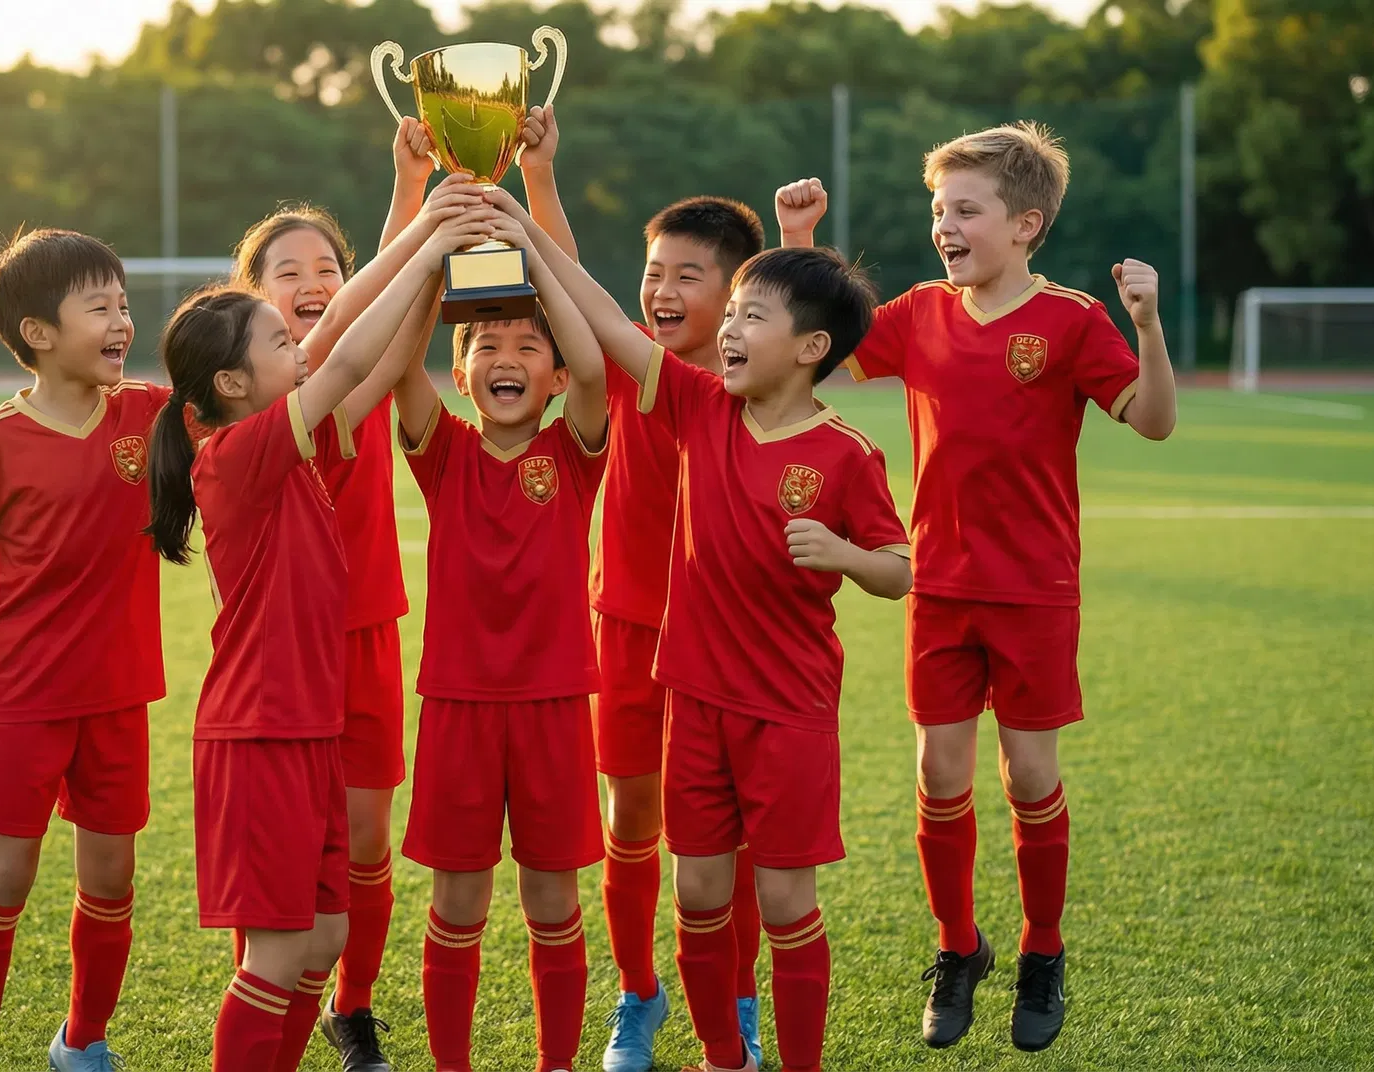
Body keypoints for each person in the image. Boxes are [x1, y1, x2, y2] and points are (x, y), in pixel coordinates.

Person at [777, 120, 1178, 1053]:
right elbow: (820, 348)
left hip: (1035, 591)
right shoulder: (919, 312)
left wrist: (1148, 327)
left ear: (1027, 224)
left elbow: (1153, 422)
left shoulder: (1073, 319)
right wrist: (798, 245)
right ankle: (960, 949)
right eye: (937, 209)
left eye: (966, 209)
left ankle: (1044, 949)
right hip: (941, 586)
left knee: (1030, 776)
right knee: (938, 772)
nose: (943, 225)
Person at [499, 183, 913, 1072]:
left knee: (779, 890)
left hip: (785, 704)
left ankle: (759, 1026)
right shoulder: (694, 400)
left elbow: (899, 566)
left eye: (732, 303)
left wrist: (843, 551)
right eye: (659, 275)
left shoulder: (834, 448)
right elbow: (596, 310)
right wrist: (525, 213)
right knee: (685, 874)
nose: (718, 323)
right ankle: (681, 1025)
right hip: (676, 679)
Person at [144, 199, 495, 1071]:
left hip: (308, 727)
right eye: (276, 342)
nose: (298, 348)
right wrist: (427, 238)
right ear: (232, 385)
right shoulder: (238, 454)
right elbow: (340, 353)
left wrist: (439, 271)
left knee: (326, 933)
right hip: (260, 731)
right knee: (275, 954)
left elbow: (370, 368)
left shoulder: (287, 441)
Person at [513, 104, 773, 1069]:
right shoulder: (627, 367)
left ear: (736, 291)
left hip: (729, 642)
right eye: (654, 273)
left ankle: (738, 1004)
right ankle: (639, 998)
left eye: (686, 277)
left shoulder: (759, 385)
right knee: (630, 823)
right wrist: (540, 177)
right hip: (624, 624)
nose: (661, 291)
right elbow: (572, 281)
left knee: (727, 839)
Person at [227, 139, 478, 1071]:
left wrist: (413, 193)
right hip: (277, 659)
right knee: (281, 853)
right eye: (285, 272)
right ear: (249, 301)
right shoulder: (264, 408)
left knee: (365, 841)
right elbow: (340, 333)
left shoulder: (353, 380)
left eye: (327, 268)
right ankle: (259, 991)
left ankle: (352, 1005)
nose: (313, 282)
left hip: (367, 630)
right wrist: (421, 228)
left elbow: (368, 320)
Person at [0, 228, 165, 1072]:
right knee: (5, 882)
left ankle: (83, 1041)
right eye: (100, 306)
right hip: (22, 698)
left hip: (120, 693)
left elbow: (248, 389)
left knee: (111, 881)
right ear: (39, 334)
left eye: (124, 304)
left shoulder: (147, 414)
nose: (122, 320)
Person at [390, 203, 609, 1072]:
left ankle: (556, 1063)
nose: (506, 358)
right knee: (457, 909)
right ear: (461, 370)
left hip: (556, 705)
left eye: (527, 346)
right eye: (487, 346)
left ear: (553, 378)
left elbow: (594, 359)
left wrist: (529, 247)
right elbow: (400, 359)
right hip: (457, 706)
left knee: (554, 907)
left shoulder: (576, 451)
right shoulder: (442, 453)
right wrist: (434, 250)